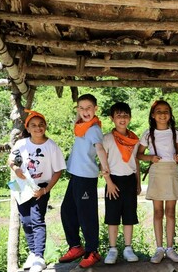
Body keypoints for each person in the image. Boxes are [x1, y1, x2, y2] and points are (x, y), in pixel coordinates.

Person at [8, 109, 65, 272]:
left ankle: (39, 256)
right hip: (21, 187)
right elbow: (11, 159)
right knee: (25, 220)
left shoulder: (51, 146)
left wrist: (45, 190)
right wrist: (15, 168)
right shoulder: (21, 144)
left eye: (41, 125)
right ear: (27, 127)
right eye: (33, 125)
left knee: (37, 219)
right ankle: (32, 252)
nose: (37, 128)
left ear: (45, 126)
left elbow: (58, 170)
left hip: (39, 187)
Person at [59, 94, 109, 268]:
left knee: (86, 215)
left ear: (95, 109)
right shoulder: (81, 126)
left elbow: (100, 149)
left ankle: (92, 251)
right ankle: (75, 247)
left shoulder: (93, 128)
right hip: (76, 175)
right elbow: (76, 121)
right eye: (81, 108)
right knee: (67, 211)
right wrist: (78, 113)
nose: (85, 111)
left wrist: (106, 171)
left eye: (89, 108)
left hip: (86, 177)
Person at [136, 100, 178, 264]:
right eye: (158, 111)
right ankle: (159, 248)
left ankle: (170, 248)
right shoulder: (148, 134)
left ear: (170, 114)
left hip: (171, 171)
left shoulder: (175, 132)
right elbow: (139, 154)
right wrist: (150, 158)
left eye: (166, 111)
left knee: (170, 211)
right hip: (156, 172)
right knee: (158, 212)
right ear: (152, 115)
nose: (162, 114)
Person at [102, 102, 142, 265]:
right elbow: (103, 163)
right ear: (112, 118)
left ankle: (128, 248)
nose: (122, 119)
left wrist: (138, 183)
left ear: (130, 118)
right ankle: (112, 249)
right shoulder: (107, 138)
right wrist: (109, 182)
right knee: (112, 217)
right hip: (113, 181)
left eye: (125, 115)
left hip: (130, 180)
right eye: (118, 115)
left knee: (129, 216)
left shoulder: (134, 139)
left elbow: (136, 162)